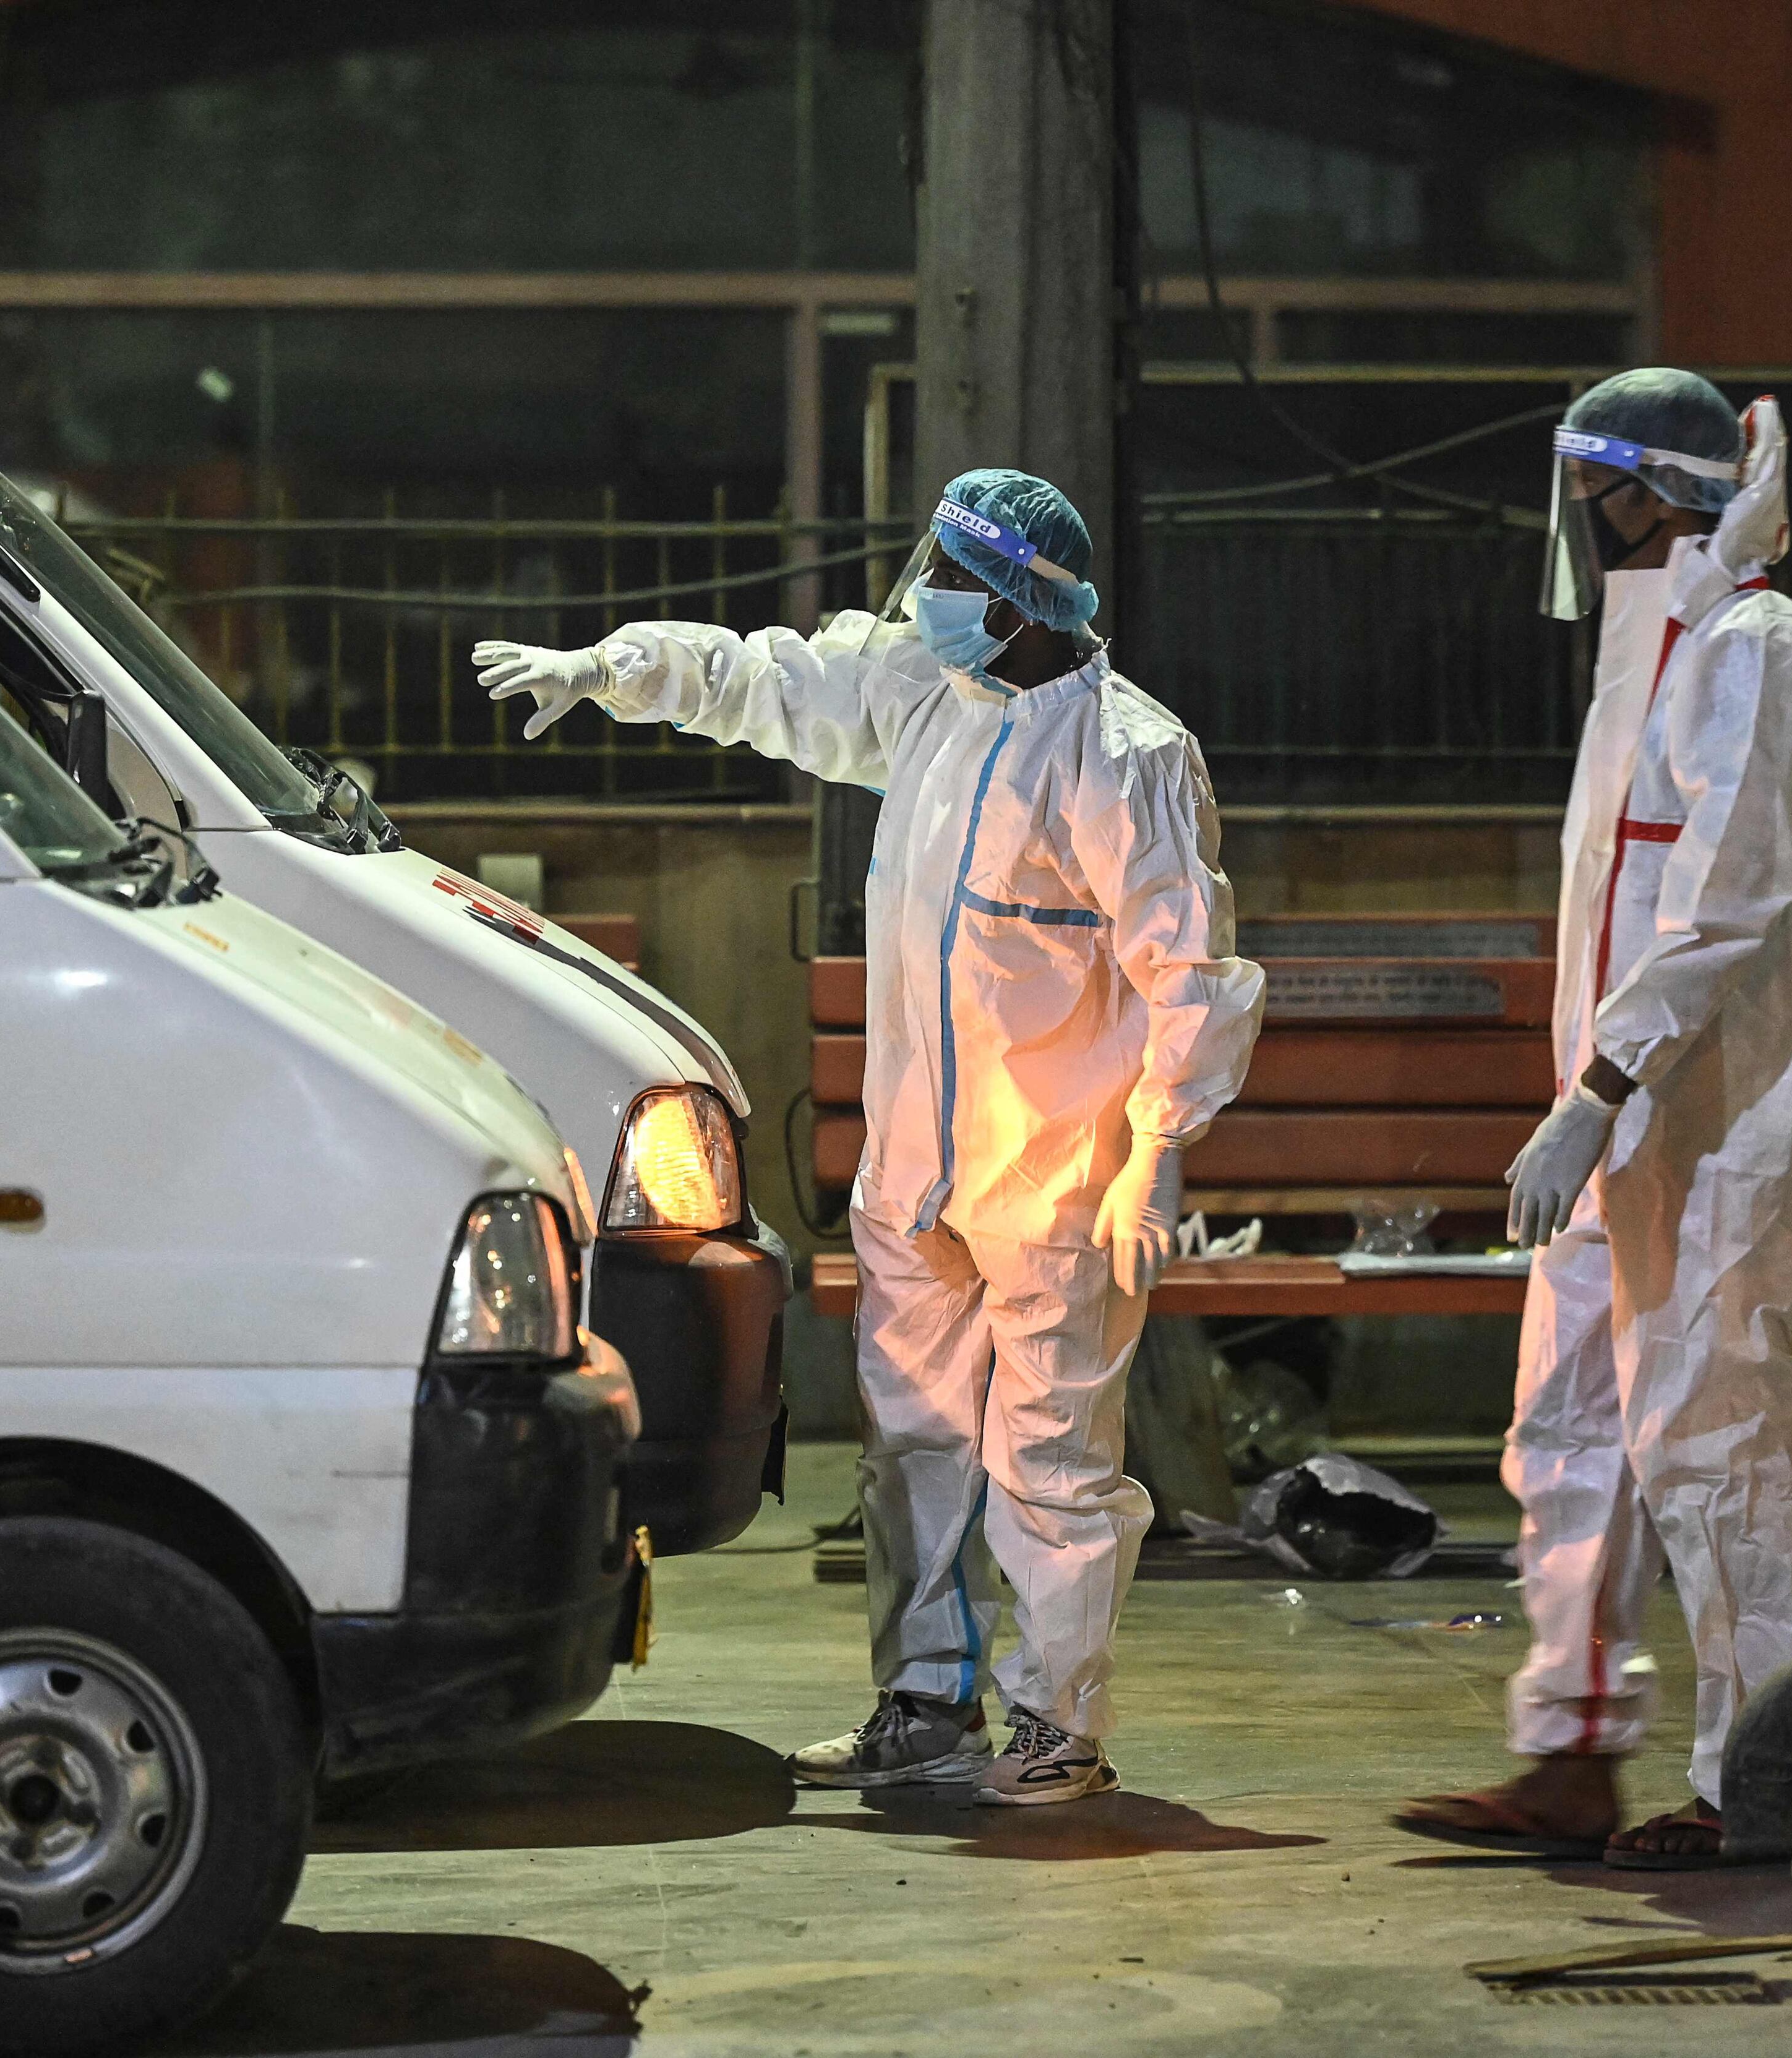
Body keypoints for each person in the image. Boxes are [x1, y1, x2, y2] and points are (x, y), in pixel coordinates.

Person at [473, 469, 1263, 1806]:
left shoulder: (1125, 755)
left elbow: (1189, 970)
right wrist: (613, 668)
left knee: (1052, 1462)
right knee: (912, 1448)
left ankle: (1057, 1725)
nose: (927, 598)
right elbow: (774, 678)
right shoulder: (932, 696)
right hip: (915, 1170)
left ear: (1018, 603)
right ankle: (924, 1706)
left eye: (953, 575)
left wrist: (1155, 1152)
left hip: (1055, 1182)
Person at [1397, 371, 1792, 1866]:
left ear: (1648, 493)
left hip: (1726, 1115)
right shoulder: (1650, 658)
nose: (1575, 518)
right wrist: (1594, 1099)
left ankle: (1760, 1778)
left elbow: (1725, 904)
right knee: (1572, 1428)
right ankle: (1570, 1750)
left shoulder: (1759, 653)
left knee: (1715, 1431)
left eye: (1588, 488)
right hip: (1621, 1114)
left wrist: (1597, 1089)